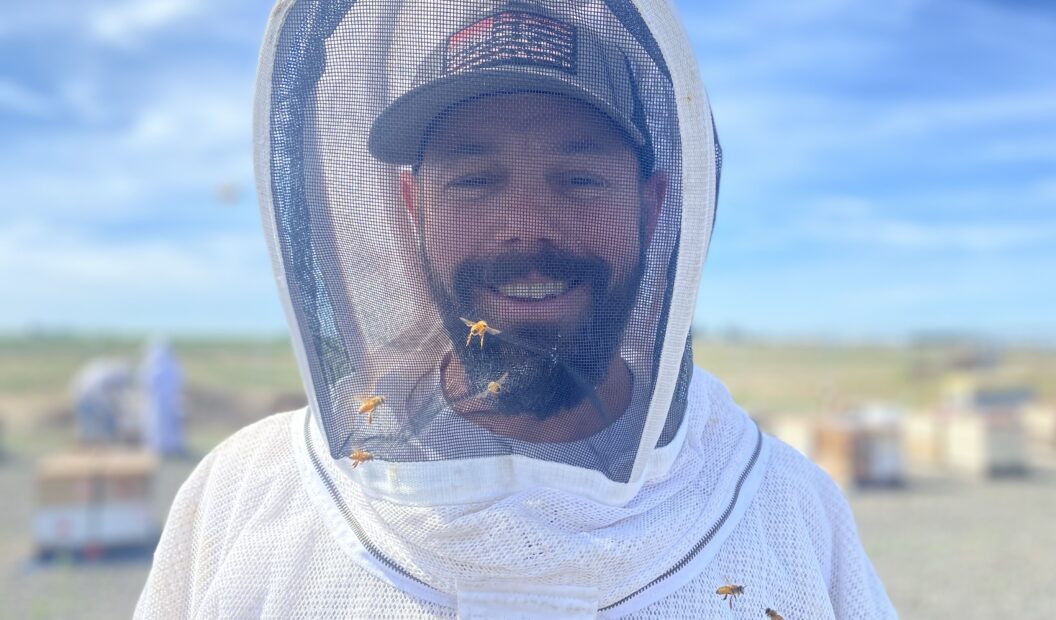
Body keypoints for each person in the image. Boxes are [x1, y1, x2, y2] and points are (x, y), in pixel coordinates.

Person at [137, 2, 896, 618]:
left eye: (579, 178)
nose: (526, 229)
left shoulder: (792, 513)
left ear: (653, 205)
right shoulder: (244, 492)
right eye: (473, 180)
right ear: (413, 209)